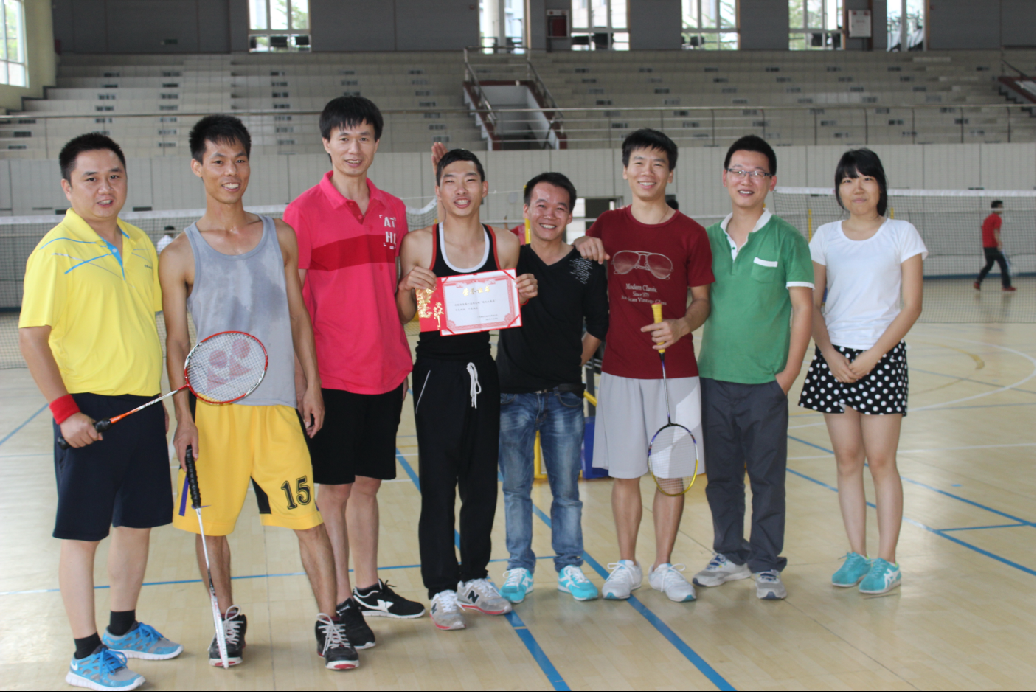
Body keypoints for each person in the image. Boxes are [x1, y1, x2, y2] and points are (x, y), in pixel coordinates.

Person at [160, 115, 358, 669]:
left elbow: (298, 318)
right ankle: (225, 618)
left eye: (240, 159)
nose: (232, 171)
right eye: (218, 161)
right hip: (215, 416)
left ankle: (330, 624)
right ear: (198, 167)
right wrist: (185, 418)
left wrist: (310, 385)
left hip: (275, 410)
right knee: (210, 527)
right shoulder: (179, 254)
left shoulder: (281, 237)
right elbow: (176, 343)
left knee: (308, 522)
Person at [19, 133, 181, 692]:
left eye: (114, 175)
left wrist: (159, 401)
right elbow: (31, 339)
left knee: (136, 524)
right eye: (90, 178)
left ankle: (123, 627)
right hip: (87, 413)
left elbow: (146, 323)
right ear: (68, 187)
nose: (104, 187)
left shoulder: (138, 244)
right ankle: (85, 653)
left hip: (142, 407)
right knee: (82, 535)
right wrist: (66, 413)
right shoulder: (55, 252)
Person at [283, 96, 425, 649]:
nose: (354, 148)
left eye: (364, 137)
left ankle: (367, 587)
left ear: (376, 143)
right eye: (343, 138)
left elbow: (396, 298)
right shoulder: (303, 212)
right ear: (326, 144)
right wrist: (305, 382)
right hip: (334, 375)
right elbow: (295, 305)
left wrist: (411, 288)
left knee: (369, 484)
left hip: (387, 369)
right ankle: (339, 601)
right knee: (334, 492)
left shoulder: (394, 210)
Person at [396, 148, 537, 630]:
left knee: (481, 483)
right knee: (438, 485)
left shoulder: (505, 245)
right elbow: (406, 315)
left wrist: (522, 295)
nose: (461, 189)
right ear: (438, 190)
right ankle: (441, 587)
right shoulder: (419, 243)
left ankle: (474, 577)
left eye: (470, 179)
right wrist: (407, 288)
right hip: (436, 373)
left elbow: (506, 307)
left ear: (484, 188)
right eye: (451, 180)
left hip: (483, 367)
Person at [573, 129, 714, 603]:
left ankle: (663, 566)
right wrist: (581, 244)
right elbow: (579, 271)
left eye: (657, 164)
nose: (647, 172)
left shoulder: (691, 233)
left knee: (671, 475)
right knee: (625, 473)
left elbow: (702, 302)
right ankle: (627, 564)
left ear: (670, 174)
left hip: (676, 374)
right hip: (618, 369)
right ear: (625, 171)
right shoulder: (607, 225)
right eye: (638, 163)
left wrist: (681, 325)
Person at [798, 148, 926, 596]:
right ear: (838, 189)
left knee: (882, 461)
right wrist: (829, 353)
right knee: (847, 460)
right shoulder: (825, 237)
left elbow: (912, 306)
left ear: (880, 186)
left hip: (881, 357)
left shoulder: (902, 234)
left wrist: (873, 356)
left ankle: (887, 560)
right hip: (835, 358)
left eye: (867, 178)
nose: (857, 187)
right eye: (848, 179)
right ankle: (857, 553)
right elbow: (811, 304)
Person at [692, 135, 814, 601]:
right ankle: (729, 553)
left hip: (765, 383)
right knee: (721, 477)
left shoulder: (788, 239)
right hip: (713, 379)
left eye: (757, 172)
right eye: (739, 171)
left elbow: (802, 308)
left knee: (766, 478)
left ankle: (765, 561)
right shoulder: (706, 240)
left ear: (771, 182)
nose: (747, 180)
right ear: (725, 177)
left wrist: (788, 375)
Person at [496, 172, 608, 604]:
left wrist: (574, 361)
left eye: (560, 207)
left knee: (567, 493)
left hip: (564, 396)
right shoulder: (510, 258)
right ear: (526, 210)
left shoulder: (583, 265)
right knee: (515, 491)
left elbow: (598, 324)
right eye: (541, 205)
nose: (549, 214)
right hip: (512, 395)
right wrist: (513, 298)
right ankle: (519, 567)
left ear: (569, 215)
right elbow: (483, 308)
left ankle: (569, 566)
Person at [974, 200, 1015, 292]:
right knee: (1004, 265)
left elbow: (984, 229)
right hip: (993, 246)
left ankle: (978, 281)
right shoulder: (997, 218)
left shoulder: (987, 219)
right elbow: (995, 231)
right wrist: (999, 242)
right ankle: (1006, 286)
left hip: (986, 246)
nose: (1002, 208)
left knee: (989, 265)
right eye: (1001, 207)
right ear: (996, 208)